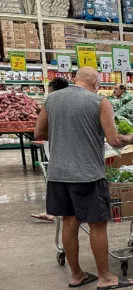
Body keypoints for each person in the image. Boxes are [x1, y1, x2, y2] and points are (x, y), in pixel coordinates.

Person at [34, 66, 133, 290]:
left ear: (75, 79)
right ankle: (105, 277)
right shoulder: (100, 102)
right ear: (96, 84)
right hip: (87, 174)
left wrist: (64, 133)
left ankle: (77, 275)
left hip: (58, 174)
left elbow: (39, 133)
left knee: (69, 222)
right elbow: (114, 140)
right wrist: (132, 137)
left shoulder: (51, 99)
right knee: (97, 225)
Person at [31, 77, 70, 223]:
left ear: (52, 90)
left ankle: (53, 211)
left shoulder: (51, 102)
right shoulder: (74, 102)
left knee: (57, 178)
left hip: (58, 147)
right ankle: (53, 211)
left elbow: (39, 133)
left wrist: (55, 134)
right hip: (73, 150)